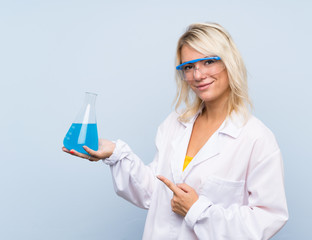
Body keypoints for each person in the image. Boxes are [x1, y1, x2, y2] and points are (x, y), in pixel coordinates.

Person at [63, 22, 288, 239]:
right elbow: (154, 193)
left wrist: (197, 210)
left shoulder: (256, 139)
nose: (198, 75)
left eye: (208, 62)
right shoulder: (175, 123)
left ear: (230, 62)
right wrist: (116, 154)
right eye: (188, 67)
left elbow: (268, 219)